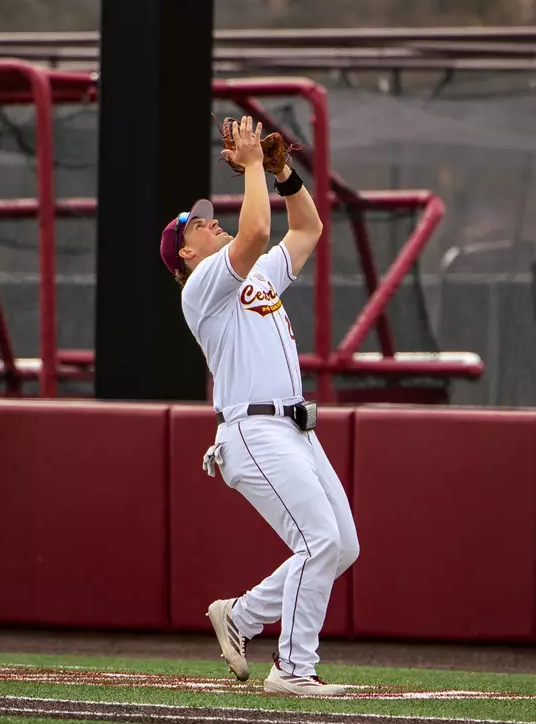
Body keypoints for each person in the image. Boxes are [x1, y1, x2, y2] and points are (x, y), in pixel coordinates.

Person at [159, 116, 359, 698]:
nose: (210, 225)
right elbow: (252, 233)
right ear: (184, 256)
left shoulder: (255, 278)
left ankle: (242, 617)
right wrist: (249, 169)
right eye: (198, 226)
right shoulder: (201, 288)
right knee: (318, 541)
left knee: (341, 545)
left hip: (294, 429)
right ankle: (293, 670)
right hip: (253, 429)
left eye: (207, 219)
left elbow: (307, 229)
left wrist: (282, 175)